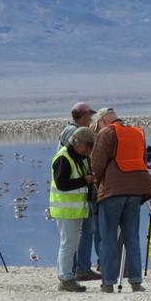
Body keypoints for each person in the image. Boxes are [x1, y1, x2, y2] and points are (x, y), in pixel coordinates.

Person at [90, 108, 151, 293]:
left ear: (102, 121)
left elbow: (97, 162)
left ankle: (108, 282)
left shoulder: (107, 132)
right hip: (136, 191)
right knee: (132, 237)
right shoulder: (137, 132)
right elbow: (142, 159)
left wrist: (97, 182)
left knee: (108, 237)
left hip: (113, 191)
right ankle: (136, 281)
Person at [50, 127, 96, 292]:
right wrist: (85, 180)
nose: (90, 150)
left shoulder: (80, 157)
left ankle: (64, 275)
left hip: (75, 209)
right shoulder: (63, 157)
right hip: (65, 210)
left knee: (70, 244)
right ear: (80, 143)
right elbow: (62, 184)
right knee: (68, 244)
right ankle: (65, 279)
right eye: (89, 146)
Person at [59, 102, 101, 280]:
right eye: (89, 115)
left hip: (79, 194)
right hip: (73, 197)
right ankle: (78, 269)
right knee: (78, 235)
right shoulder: (73, 133)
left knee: (84, 232)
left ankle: (79, 268)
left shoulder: (75, 131)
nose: (91, 119)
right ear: (82, 116)